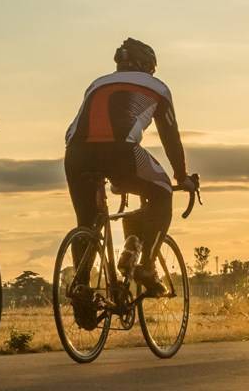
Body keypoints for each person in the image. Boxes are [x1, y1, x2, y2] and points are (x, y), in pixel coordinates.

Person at [64, 38, 195, 315]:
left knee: (87, 223)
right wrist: (182, 176)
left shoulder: (97, 83)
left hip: (76, 154)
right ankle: (146, 266)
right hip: (121, 152)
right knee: (162, 191)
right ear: (149, 67)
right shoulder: (158, 87)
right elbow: (170, 137)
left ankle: (82, 291)